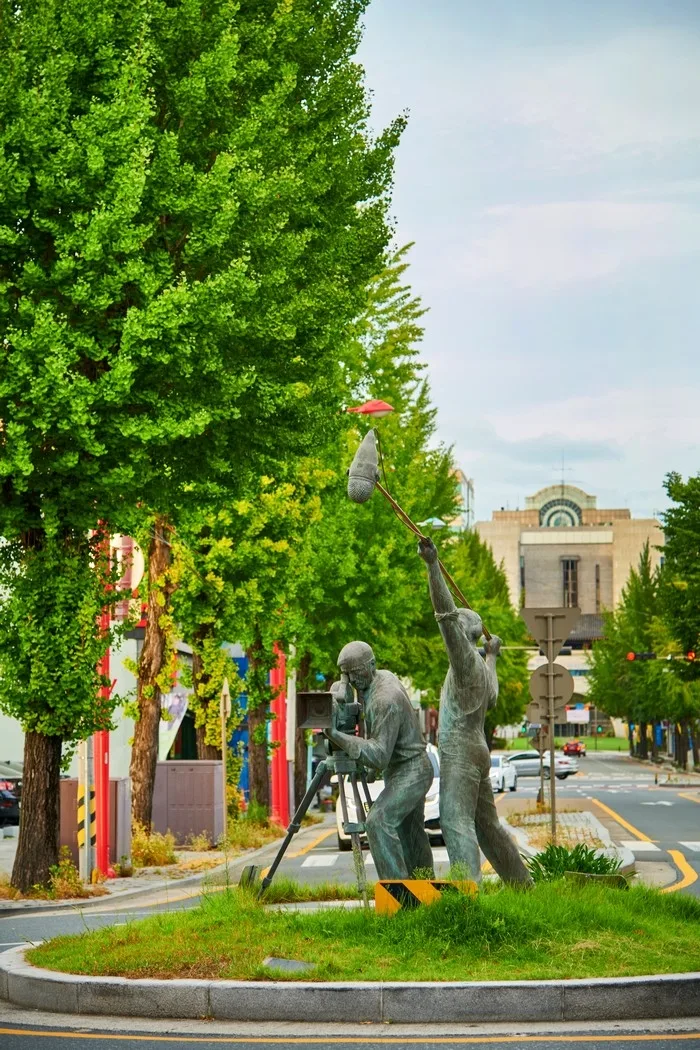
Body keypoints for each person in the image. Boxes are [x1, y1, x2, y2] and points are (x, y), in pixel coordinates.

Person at [418, 537, 532, 886]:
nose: (453, 627)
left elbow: (444, 615)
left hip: (460, 750)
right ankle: (522, 885)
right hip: (477, 748)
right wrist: (492, 655)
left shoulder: (466, 660)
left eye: (459, 623)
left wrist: (433, 566)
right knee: (487, 826)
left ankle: (468, 893)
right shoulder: (481, 666)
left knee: (455, 820)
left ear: (463, 632)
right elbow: (493, 698)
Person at [325, 640, 435, 880]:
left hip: (412, 771)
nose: (351, 679)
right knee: (411, 834)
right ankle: (425, 886)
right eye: (345, 674)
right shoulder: (380, 679)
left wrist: (335, 735)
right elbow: (380, 734)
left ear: (371, 665)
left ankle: (398, 891)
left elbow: (379, 755)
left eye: (355, 672)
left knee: (378, 822)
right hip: (404, 769)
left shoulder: (384, 699)